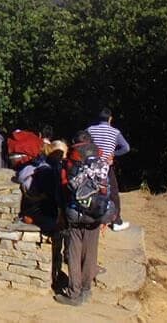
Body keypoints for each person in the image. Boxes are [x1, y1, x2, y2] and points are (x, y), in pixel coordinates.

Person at [55, 130, 102, 306]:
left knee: (74, 253)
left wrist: (62, 211)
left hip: (74, 213)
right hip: (95, 213)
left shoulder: (69, 163)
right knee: (90, 253)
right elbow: (107, 189)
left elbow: (63, 188)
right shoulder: (100, 163)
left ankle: (74, 293)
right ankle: (86, 290)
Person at [88, 107, 131, 231]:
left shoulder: (90, 130)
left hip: (92, 166)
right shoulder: (115, 132)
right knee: (113, 193)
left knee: (92, 190)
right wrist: (114, 154)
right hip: (107, 166)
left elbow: (84, 143)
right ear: (110, 119)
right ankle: (116, 221)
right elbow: (126, 148)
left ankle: (92, 217)